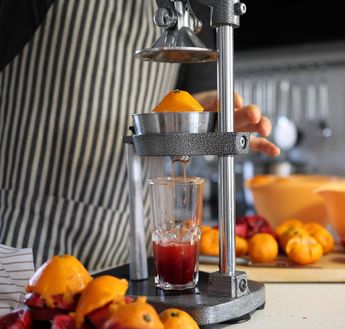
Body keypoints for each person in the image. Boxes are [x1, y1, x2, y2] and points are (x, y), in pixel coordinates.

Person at [0, 0, 279, 271]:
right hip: (26, 245)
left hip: (134, 252)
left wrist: (203, 118)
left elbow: (193, 92)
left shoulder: (194, 9)